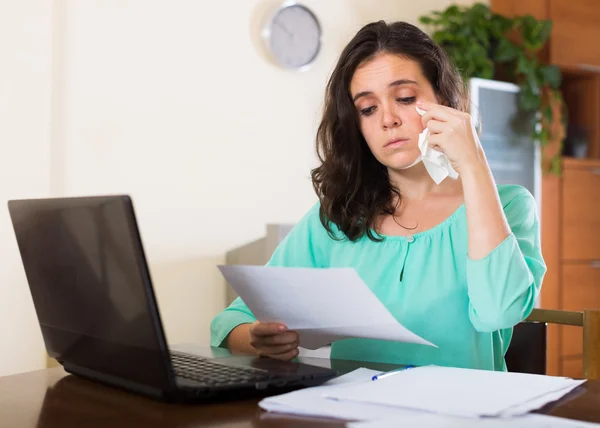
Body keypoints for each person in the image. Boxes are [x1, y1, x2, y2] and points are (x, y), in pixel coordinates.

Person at [210, 20, 546, 371]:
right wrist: (259, 338)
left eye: (404, 98)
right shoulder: (338, 217)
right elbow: (232, 320)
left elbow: (499, 311)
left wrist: (473, 164)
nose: (387, 119)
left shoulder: (509, 205)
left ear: (443, 102)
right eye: (367, 109)